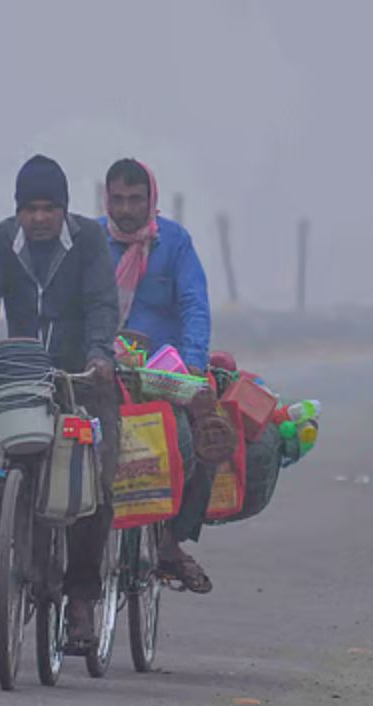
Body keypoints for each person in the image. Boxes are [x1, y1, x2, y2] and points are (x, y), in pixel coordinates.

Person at [0, 154, 120, 649]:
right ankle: (5, 530)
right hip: (21, 376)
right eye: (31, 209)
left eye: (50, 208)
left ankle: (82, 600)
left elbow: (102, 303)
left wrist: (99, 354)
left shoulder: (89, 241)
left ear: (65, 209)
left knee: (94, 479)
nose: (40, 218)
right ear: (18, 211)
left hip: (81, 377)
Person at [100, 158, 215, 593]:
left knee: (194, 442)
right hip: (101, 366)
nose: (126, 209)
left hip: (163, 374)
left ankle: (170, 544)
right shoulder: (90, 240)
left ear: (151, 200)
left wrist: (194, 366)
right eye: (118, 199)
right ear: (106, 200)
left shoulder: (176, 243)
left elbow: (194, 305)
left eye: (136, 199)